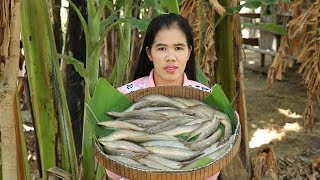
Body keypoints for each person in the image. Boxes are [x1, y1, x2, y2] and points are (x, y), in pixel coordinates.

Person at [108, 13, 219, 180]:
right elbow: (112, 171)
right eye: (161, 48)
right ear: (149, 53)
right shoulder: (123, 97)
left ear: (189, 52)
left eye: (178, 48)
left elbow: (212, 170)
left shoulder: (206, 99)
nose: (170, 57)